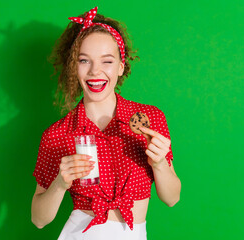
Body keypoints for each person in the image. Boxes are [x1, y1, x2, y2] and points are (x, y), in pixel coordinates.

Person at [31, 6, 181, 240]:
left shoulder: (149, 120)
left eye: (107, 61)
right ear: (74, 66)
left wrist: (160, 163)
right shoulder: (58, 134)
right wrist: (60, 183)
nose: (95, 71)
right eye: (84, 60)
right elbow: (39, 220)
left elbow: (172, 199)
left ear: (121, 66)